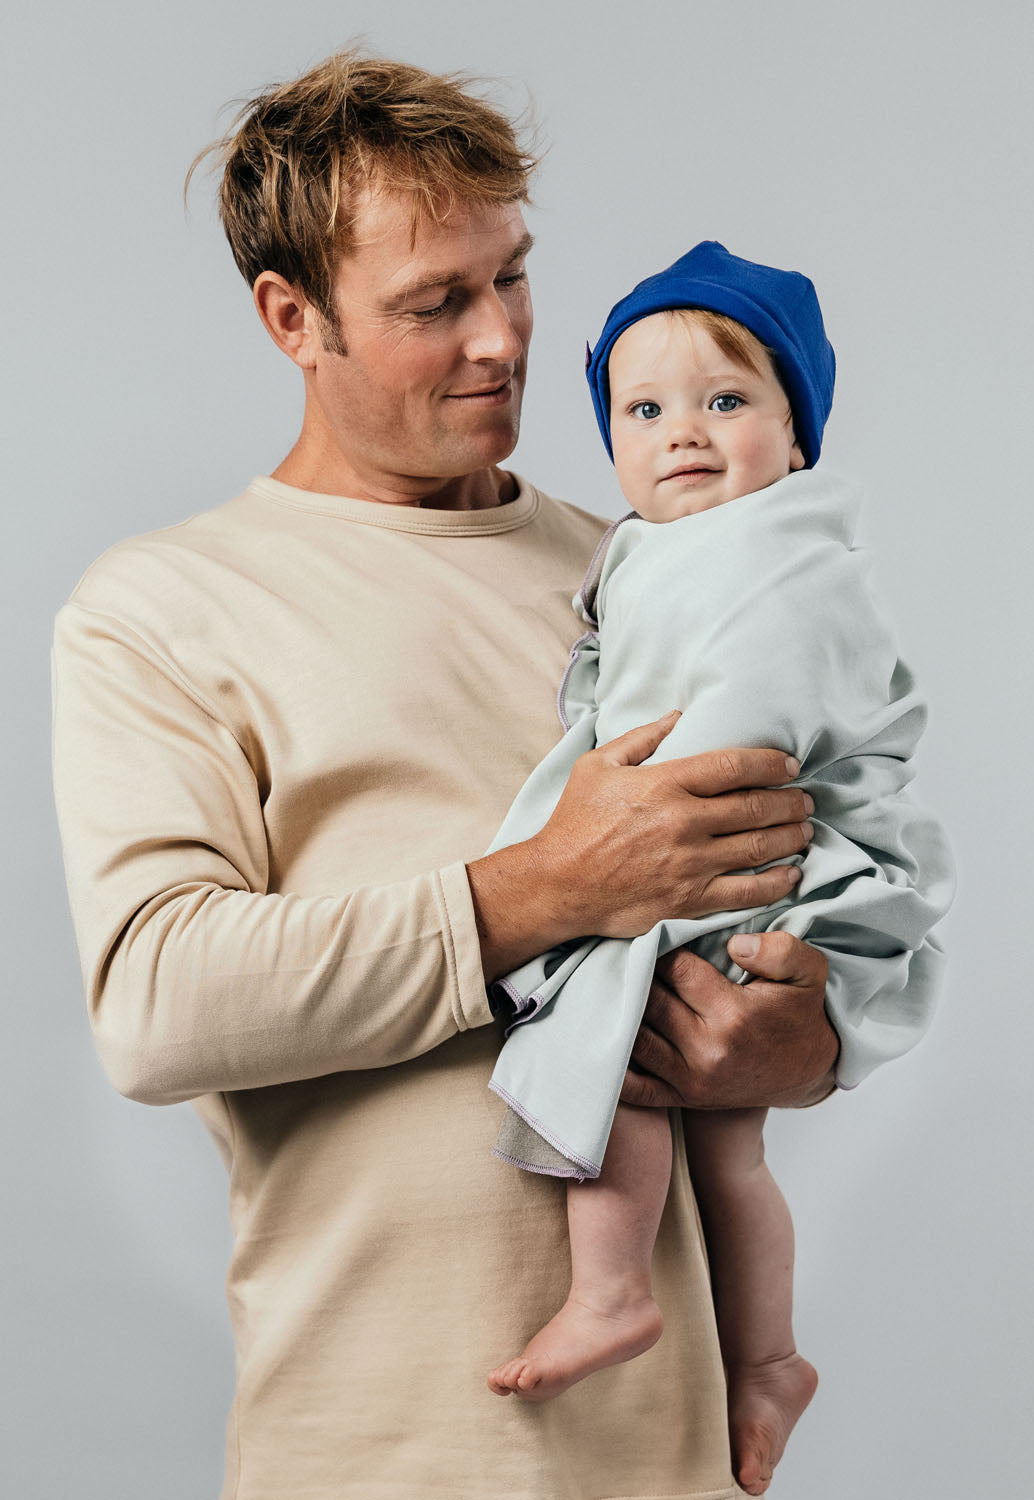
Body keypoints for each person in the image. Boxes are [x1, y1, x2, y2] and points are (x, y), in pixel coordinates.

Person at [49, 52, 844, 1500]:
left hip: (672, 1457)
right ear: (292, 318)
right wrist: (547, 888)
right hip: (376, 1453)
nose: (500, 341)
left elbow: (811, 872)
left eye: (512, 277)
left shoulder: (640, 572)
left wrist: (813, 1043)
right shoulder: (163, 610)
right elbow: (156, 1007)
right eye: (433, 304)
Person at [482, 243, 955, 1495]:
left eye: (725, 400)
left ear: (795, 436)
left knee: (617, 1046)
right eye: (642, 411)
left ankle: (611, 1292)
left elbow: (760, 709)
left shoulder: (782, 552)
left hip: (745, 851)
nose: (681, 432)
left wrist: (628, 840)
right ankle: (768, 1362)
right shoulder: (651, 546)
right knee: (726, 1151)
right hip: (711, 849)